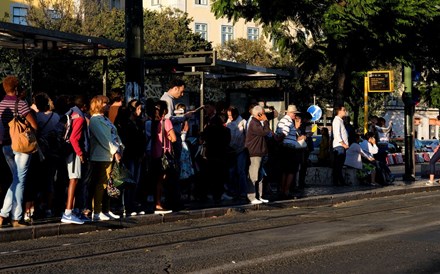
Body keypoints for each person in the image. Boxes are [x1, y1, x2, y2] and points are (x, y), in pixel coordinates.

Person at [0, 76, 38, 227]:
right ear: (16, 88)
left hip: (5, 146)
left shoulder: (1, 104)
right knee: (19, 181)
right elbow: (34, 125)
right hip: (21, 146)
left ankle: (3, 216)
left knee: (15, 179)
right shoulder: (20, 104)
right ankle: (15, 217)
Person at [89, 95, 123, 221]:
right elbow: (104, 138)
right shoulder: (95, 120)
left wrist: (120, 147)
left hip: (110, 154)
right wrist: (115, 151)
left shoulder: (105, 119)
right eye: (105, 103)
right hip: (101, 156)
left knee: (110, 184)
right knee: (101, 184)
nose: (108, 105)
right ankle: (97, 211)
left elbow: (114, 134)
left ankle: (106, 210)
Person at [61, 95, 90, 224]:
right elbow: (73, 138)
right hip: (74, 152)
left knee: (74, 180)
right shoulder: (80, 117)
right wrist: (80, 153)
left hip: (68, 150)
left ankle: (73, 211)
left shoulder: (71, 112)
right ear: (84, 106)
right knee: (74, 180)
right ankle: (68, 212)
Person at [148, 100, 176, 213]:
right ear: (165, 110)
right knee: (162, 179)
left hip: (153, 154)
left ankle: (156, 202)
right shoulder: (166, 121)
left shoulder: (151, 122)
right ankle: (159, 203)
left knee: (155, 179)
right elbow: (173, 138)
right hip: (164, 154)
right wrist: (168, 138)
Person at [119, 99, 146, 216]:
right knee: (129, 180)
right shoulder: (126, 124)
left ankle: (132, 202)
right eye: (138, 108)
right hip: (130, 154)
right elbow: (128, 140)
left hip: (138, 155)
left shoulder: (139, 123)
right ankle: (127, 205)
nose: (140, 111)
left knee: (136, 180)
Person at [245, 105, 272, 204]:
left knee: (260, 176)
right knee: (253, 175)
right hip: (255, 153)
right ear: (259, 114)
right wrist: (265, 121)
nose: (265, 115)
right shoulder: (253, 123)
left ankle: (259, 196)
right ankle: (251, 197)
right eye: (263, 113)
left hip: (260, 152)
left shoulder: (257, 123)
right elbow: (265, 132)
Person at [276, 105, 303, 197]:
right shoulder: (288, 121)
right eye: (294, 114)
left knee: (284, 170)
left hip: (283, 148)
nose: (295, 116)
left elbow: (279, 132)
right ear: (291, 113)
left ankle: (282, 189)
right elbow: (285, 132)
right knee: (291, 170)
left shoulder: (282, 120)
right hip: (289, 148)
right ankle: (286, 190)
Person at [226, 106, 248, 199]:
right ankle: (233, 190)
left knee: (240, 170)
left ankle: (243, 191)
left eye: (231, 115)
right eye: (228, 116)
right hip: (231, 150)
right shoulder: (228, 122)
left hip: (241, 149)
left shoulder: (243, 122)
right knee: (231, 171)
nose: (230, 117)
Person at [332, 105, 349, 186]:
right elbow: (337, 134)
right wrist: (343, 144)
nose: (345, 111)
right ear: (339, 111)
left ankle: (338, 181)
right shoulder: (337, 121)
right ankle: (339, 182)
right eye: (344, 110)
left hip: (341, 146)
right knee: (338, 165)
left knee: (339, 165)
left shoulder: (340, 121)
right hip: (339, 146)